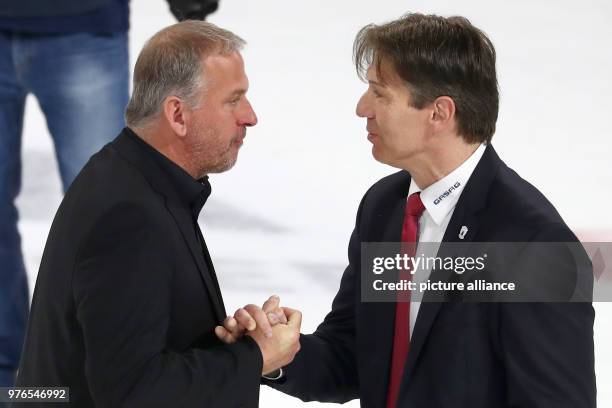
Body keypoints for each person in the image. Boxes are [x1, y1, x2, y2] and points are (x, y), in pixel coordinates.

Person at [218, 13, 596, 407]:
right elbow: (353, 357)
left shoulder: (532, 245)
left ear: (439, 113)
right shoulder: (385, 208)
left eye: (380, 93)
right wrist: (277, 354)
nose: (362, 108)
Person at [14, 21, 300, 408]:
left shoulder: (136, 181)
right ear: (178, 115)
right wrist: (254, 357)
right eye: (233, 100)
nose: (249, 117)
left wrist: (245, 346)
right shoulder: (129, 216)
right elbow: (132, 392)